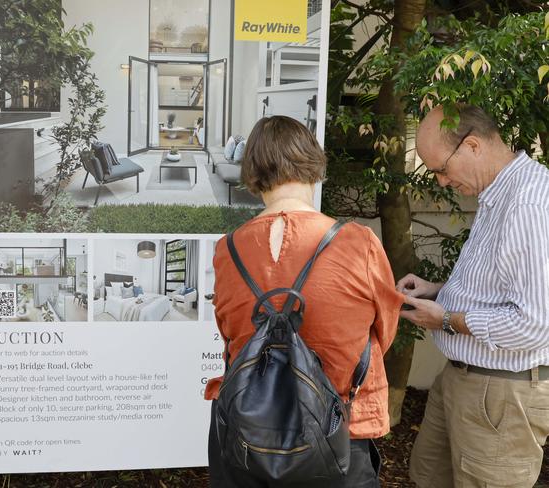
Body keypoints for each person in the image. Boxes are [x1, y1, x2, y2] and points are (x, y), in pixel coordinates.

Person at [205, 115, 404, 487]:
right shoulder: (357, 243)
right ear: (313, 164)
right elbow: (383, 332)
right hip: (340, 430)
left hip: (249, 436)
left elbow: (231, 332)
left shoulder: (227, 250)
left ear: (253, 172)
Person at [397, 104, 549, 488]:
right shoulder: (497, 192)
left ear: (473, 146)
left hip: (502, 391)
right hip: (464, 379)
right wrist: (439, 291)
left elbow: (534, 324)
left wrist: (446, 319)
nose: (442, 182)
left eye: (441, 169)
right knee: (428, 475)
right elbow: (498, 287)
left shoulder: (528, 204)